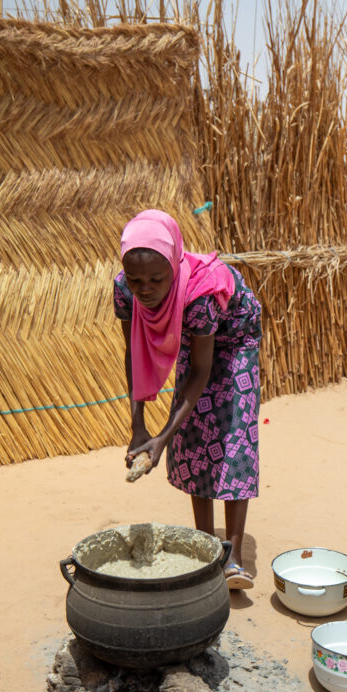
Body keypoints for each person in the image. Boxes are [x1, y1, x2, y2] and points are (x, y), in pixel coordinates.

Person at [114, 208, 262, 591]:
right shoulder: (125, 292)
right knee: (196, 440)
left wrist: (161, 439)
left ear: (174, 268)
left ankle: (233, 557)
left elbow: (201, 373)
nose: (144, 288)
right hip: (195, 337)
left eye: (156, 279)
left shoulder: (200, 296)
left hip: (233, 341)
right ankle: (207, 548)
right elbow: (134, 353)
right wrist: (138, 428)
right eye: (136, 280)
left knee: (232, 439)